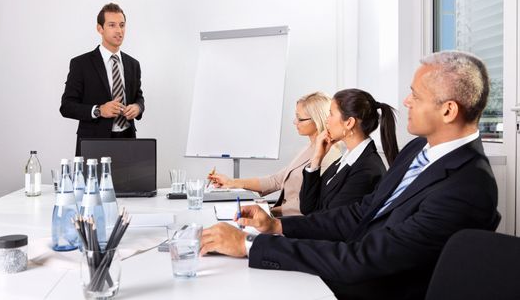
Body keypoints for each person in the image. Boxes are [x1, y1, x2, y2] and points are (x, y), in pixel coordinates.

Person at [201, 51, 499, 300]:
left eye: (415, 95)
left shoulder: (469, 186)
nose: (406, 102)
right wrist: (278, 226)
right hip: (350, 269)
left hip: (371, 289)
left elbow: (368, 258)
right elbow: (359, 214)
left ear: (448, 111)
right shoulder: (419, 148)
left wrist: (249, 245)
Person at [209, 92, 341, 216]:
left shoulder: (328, 156)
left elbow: (310, 202)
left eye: (300, 118)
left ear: (317, 121)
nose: (295, 122)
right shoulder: (309, 148)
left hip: (296, 221)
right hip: (281, 215)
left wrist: (269, 211)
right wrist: (231, 182)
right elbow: (275, 180)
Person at [60, 3, 145, 155]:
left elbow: (138, 96)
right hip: (94, 143)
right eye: (112, 25)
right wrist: (99, 110)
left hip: (127, 139)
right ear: (100, 28)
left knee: (128, 180)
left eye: (122, 25)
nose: (119, 31)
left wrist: (138, 108)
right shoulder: (81, 64)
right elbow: (66, 106)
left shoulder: (133, 64)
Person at [299, 88, 398, 215]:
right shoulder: (344, 160)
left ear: (349, 123)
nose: (326, 120)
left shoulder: (367, 170)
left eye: (331, 114)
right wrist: (317, 158)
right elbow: (307, 208)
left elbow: (331, 221)